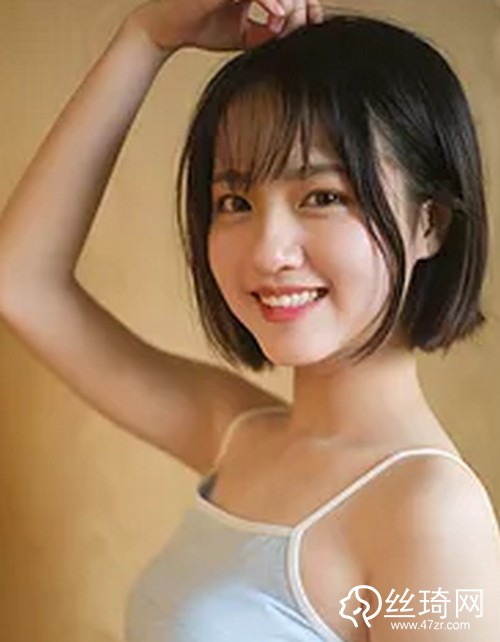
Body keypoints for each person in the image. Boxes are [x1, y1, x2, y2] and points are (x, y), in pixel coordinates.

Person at [0, 0, 499, 640]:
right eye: (235, 201)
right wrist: (146, 38)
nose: (267, 251)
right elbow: (21, 284)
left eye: (323, 196)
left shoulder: (430, 513)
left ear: (430, 223)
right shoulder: (240, 437)